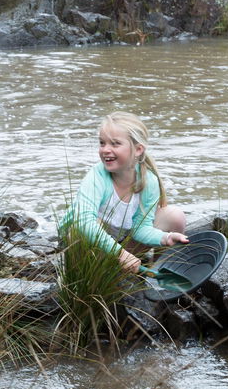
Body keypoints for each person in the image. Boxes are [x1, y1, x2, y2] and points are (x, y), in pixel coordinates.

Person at [60, 112, 188, 273]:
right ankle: (92, 277)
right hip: (85, 251)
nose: (105, 150)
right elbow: (83, 223)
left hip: (120, 248)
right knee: (89, 225)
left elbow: (141, 229)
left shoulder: (148, 181)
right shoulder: (96, 177)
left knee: (175, 216)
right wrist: (120, 254)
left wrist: (166, 238)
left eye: (115, 144)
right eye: (102, 143)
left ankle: (158, 274)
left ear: (138, 149)